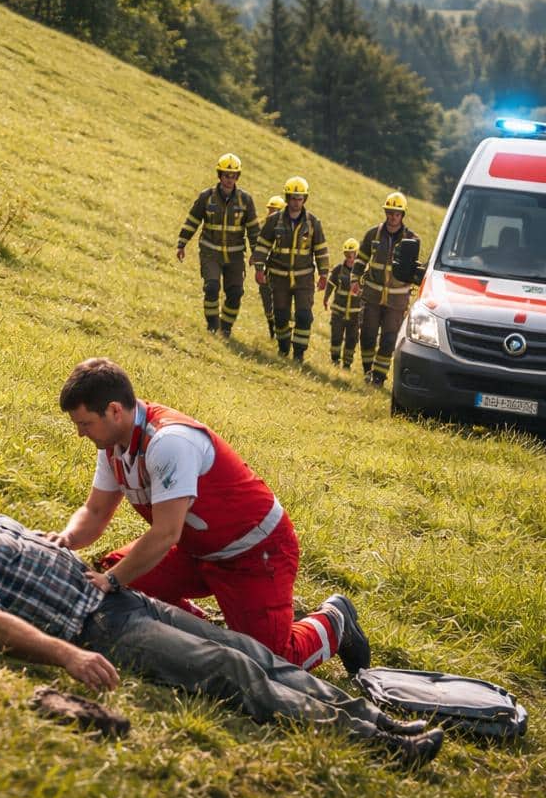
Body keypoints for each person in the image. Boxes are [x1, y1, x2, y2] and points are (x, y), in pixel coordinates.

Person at [0, 462, 443, 769]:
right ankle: (375, 743)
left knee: (253, 652)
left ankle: (377, 720)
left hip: (120, 597)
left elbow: (35, 549)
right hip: (101, 628)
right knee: (228, 669)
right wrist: (69, 654)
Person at [49, 358, 369, 676]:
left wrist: (114, 580)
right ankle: (211, 631)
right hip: (197, 550)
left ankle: (334, 622)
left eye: (85, 423)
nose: (80, 433)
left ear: (115, 410)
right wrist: (67, 539)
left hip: (255, 554)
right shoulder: (113, 445)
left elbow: (164, 534)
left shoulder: (168, 442)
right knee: (119, 581)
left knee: (272, 661)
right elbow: (95, 511)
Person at [176, 153, 261, 337]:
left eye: (233, 176)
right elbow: (192, 220)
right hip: (210, 252)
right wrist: (182, 243)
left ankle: (226, 327)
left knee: (236, 293)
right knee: (212, 288)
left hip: (235, 255)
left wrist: (257, 253)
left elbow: (254, 229)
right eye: (226, 175)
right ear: (219, 175)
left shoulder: (246, 200)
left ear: (237, 177)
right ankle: (212, 325)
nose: (229, 180)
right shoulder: (206, 197)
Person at [252, 176, 329, 360]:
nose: (296, 202)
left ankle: (299, 354)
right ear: (287, 198)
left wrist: (324, 273)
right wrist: (259, 268)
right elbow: (262, 245)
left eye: (299, 198)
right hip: (279, 278)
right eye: (293, 198)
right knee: (281, 316)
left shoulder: (313, 223)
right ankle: (283, 348)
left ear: (305, 199)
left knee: (303, 316)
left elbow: (321, 250)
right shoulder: (274, 221)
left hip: (304, 279)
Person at [352, 192, 420, 387]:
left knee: (389, 339)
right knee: (367, 334)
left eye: (397, 213)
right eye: (389, 212)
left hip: (397, 300)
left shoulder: (412, 240)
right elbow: (361, 259)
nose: (392, 217)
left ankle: (379, 378)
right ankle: (367, 371)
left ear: (402, 215)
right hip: (372, 295)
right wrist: (354, 279)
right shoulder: (372, 234)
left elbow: (414, 268)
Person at [323, 238, 363, 370]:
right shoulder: (338, 270)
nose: (350, 257)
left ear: (357, 254)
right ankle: (334, 360)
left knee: (352, 340)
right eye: (347, 254)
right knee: (336, 337)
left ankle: (347, 364)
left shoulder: (362, 273)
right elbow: (330, 284)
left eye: (352, 254)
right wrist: (326, 298)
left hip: (354, 314)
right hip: (338, 311)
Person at [257, 194, 286, 340]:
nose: (271, 213)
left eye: (275, 210)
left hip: (280, 272)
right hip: (265, 270)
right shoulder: (263, 225)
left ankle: (282, 329)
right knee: (266, 300)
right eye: (270, 210)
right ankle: (271, 327)